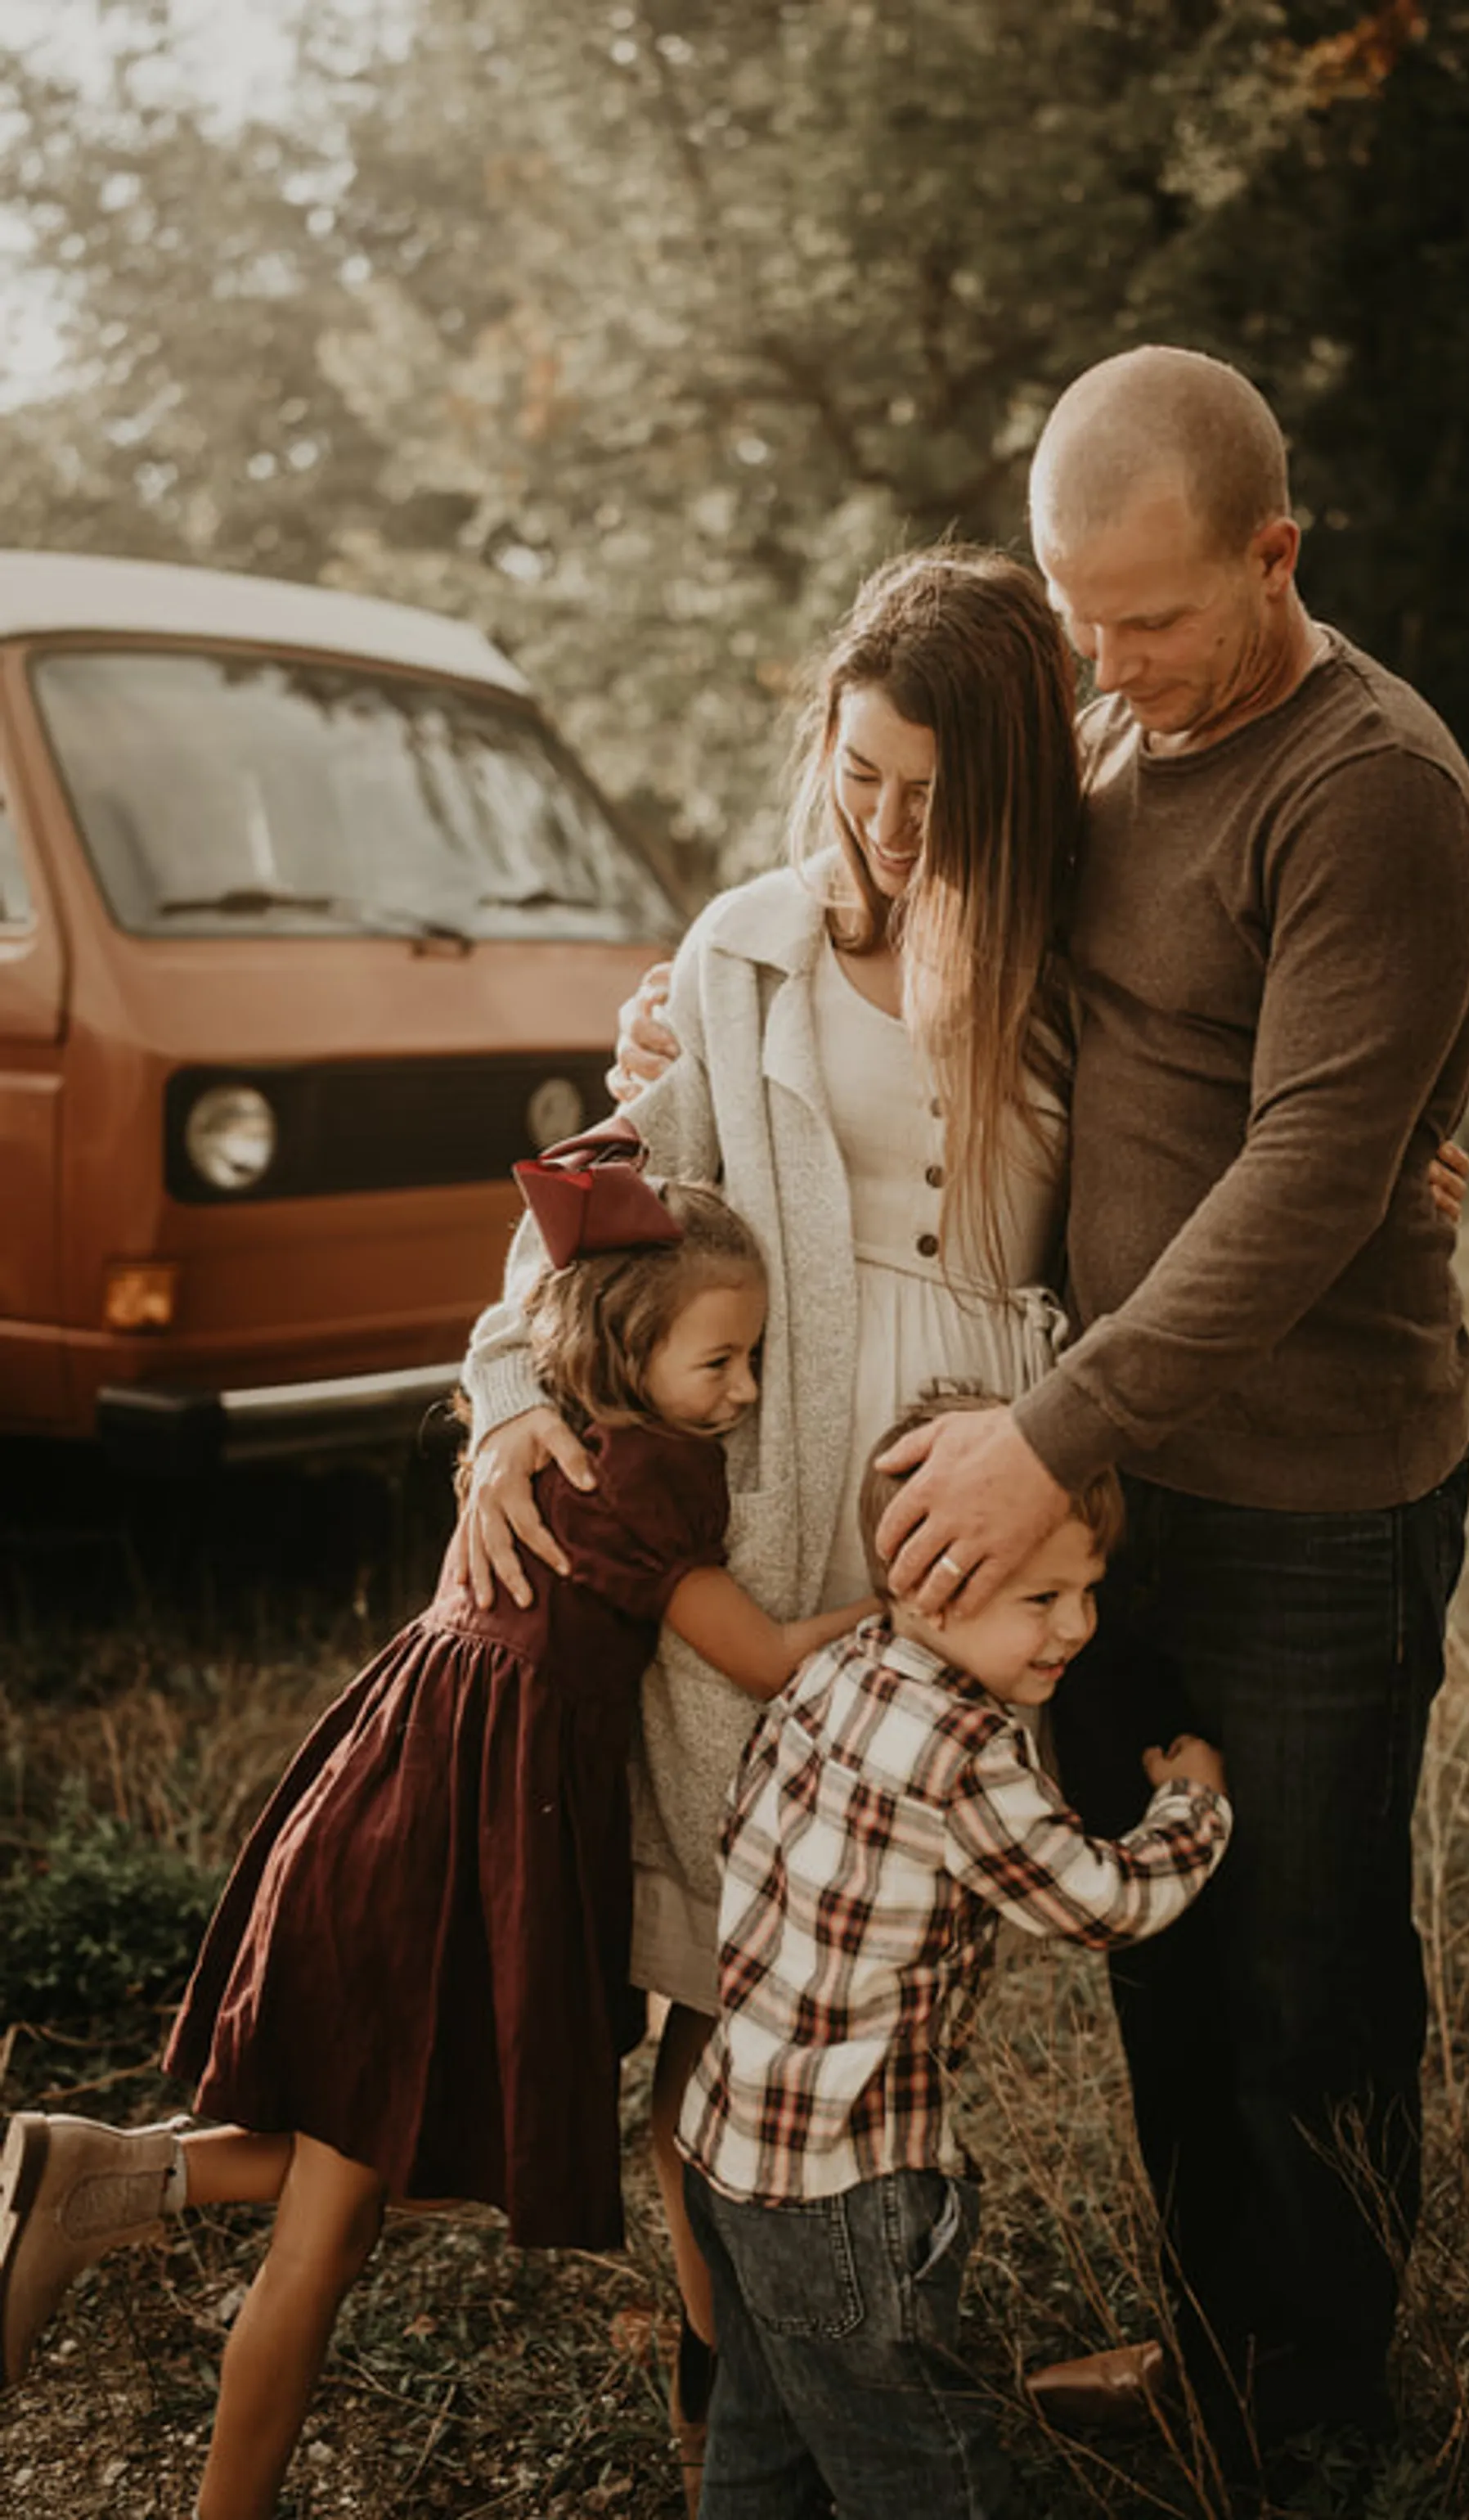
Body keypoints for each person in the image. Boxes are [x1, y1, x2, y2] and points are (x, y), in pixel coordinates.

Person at [871, 347, 1469, 2482]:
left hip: (1319, 1510)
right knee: (1168, 1947)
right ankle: (1214, 2364)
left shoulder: (1373, 793)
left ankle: (1330, 2434)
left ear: (1277, 555)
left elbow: (1307, 1189)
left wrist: (1044, 1432)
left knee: (1309, 1990)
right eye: (1078, 615)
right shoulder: (1102, 743)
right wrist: (714, 982)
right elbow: (901, 909)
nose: (1110, 663)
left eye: (1150, 616)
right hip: (1131, 1500)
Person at [458, 547, 1089, 2500]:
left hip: (969, 1533)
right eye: (859, 775)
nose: (888, 829)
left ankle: (835, 2369)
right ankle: (744, 2402)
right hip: (770, 1505)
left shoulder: (1089, 950)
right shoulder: (742, 952)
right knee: (722, 1970)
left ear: (1012, 781)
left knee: (875, 1986)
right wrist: (501, 1397)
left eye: (932, 790)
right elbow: (606, 1210)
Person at [0, 1141, 870, 2520]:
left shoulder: (551, 1439)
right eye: (723, 1365)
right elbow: (759, 1656)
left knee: (413, 2151)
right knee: (336, 2224)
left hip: (393, 1794)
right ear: (631, 1348)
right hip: (457, 1843)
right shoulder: (654, 1484)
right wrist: (902, 1618)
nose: (748, 1391)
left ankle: (99, 2174)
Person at [678, 1390, 1232, 2518]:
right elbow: (1101, 1903)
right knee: (921, 2464)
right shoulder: (966, 1750)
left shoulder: (832, 1676)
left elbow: (741, 1838)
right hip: (847, 2183)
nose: (1076, 1627)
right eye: (1042, 1598)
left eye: (1087, 1592)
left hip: (730, 2151)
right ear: (929, 1577)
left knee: (764, 2437)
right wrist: (1193, 1807)